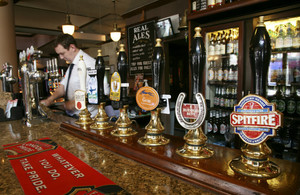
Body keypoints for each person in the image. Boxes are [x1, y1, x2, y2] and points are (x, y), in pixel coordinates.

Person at [41, 34, 98, 118]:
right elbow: (63, 87)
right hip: (72, 115)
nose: (61, 57)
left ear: (72, 47)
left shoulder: (89, 64)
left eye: (62, 53)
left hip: (87, 117)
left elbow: (101, 92)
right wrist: (49, 100)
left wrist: (73, 103)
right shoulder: (72, 65)